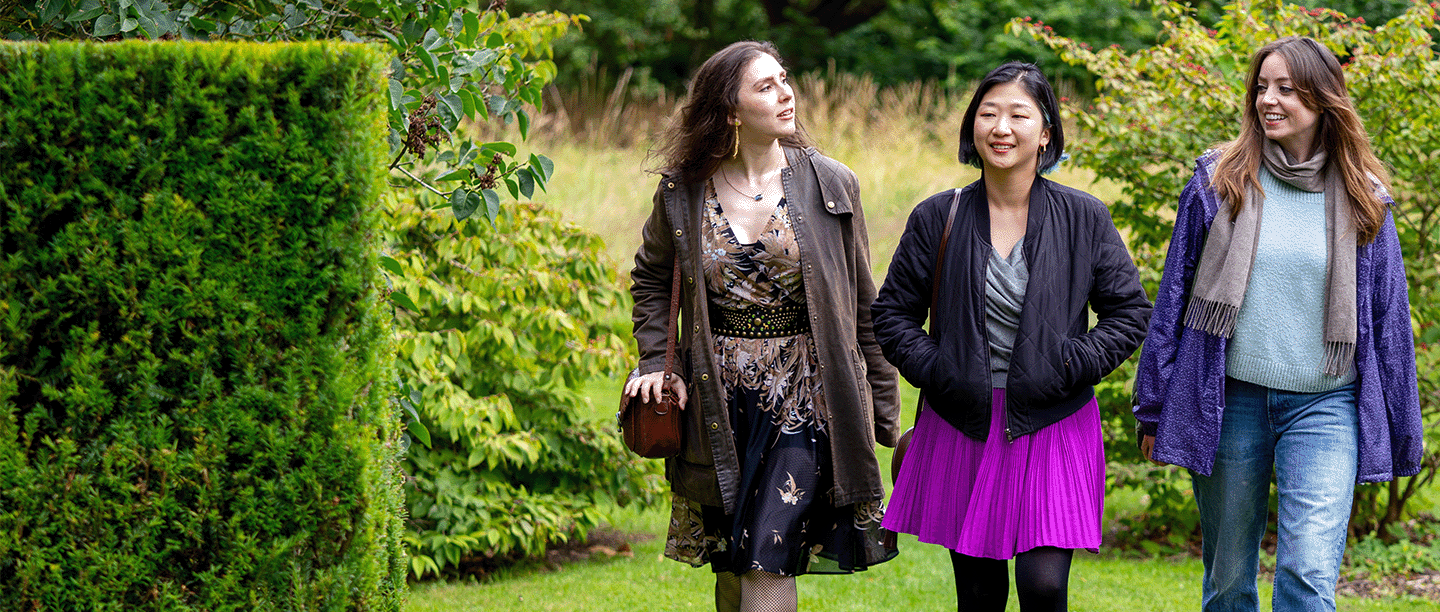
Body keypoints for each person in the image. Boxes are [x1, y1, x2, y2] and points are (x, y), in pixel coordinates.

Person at [1133, 36, 1424, 612]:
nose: (1269, 99)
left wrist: (1400, 427)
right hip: (1230, 400)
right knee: (1229, 577)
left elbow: (1389, 322)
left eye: (1286, 89)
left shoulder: (1367, 199)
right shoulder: (1218, 183)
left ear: (1323, 99)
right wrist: (1155, 404)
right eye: (1262, 87)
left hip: (1327, 405)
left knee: (1308, 574)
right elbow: (1173, 300)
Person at [625, 40, 901, 612]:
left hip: (806, 396)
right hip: (716, 400)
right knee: (734, 563)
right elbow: (652, 279)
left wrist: (882, 407)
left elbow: (862, 301)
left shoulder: (831, 182)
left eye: (785, 79)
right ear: (730, 109)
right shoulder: (682, 191)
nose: (786, 93)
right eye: (766, 86)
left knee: (765, 556)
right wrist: (658, 360)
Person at [872, 61, 1151, 612]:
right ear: (972, 128)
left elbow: (1128, 312)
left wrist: (1069, 363)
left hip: (1054, 421)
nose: (1001, 127)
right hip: (961, 421)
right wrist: (939, 369)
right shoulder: (937, 216)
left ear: (1045, 133)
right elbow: (892, 315)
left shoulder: (1084, 217)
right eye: (988, 113)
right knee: (978, 594)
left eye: (1018, 115)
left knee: (1044, 587)